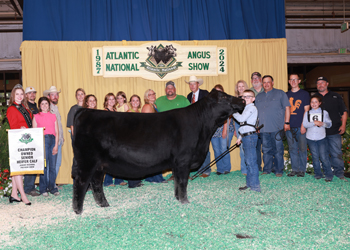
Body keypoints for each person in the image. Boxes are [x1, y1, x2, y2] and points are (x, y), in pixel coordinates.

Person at [255, 75, 291, 177]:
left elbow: (287, 108)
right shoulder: (258, 96)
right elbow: (256, 113)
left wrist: (287, 122)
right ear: (262, 84)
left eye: (268, 82)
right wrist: (256, 126)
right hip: (263, 129)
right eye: (264, 82)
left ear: (272, 82)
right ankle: (267, 169)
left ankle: (278, 170)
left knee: (278, 150)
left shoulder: (280, 93)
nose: (266, 84)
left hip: (277, 128)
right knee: (265, 150)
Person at [314, 76, 348, 181]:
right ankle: (327, 172)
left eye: (322, 83)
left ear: (327, 84)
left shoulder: (336, 96)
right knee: (323, 154)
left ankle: (339, 173)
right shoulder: (314, 98)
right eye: (318, 83)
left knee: (336, 152)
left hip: (334, 130)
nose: (320, 85)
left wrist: (343, 125)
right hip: (319, 132)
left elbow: (344, 112)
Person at [155, 81, 190, 181]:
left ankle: (185, 173)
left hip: (181, 132)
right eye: (168, 88)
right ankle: (174, 174)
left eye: (171, 88)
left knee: (183, 154)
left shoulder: (183, 99)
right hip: (165, 134)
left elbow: (190, 112)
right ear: (165, 90)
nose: (170, 90)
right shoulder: (159, 101)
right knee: (170, 154)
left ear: (175, 89)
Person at [6, 84, 32, 205]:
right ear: (13, 95)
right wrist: (20, 128)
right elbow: (13, 126)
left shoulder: (25, 108)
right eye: (17, 94)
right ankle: (23, 195)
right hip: (17, 140)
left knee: (19, 168)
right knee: (19, 169)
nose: (19, 96)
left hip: (25, 140)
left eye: (21, 94)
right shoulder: (12, 109)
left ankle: (14, 194)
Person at [233, 90, 261, 192]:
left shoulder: (252, 108)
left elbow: (241, 119)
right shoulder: (246, 108)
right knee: (248, 162)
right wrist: (240, 138)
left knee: (251, 162)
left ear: (253, 99)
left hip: (250, 137)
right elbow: (244, 125)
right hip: (246, 136)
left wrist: (233, 111)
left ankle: (255, 187)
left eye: (248, 97)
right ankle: (250, 184)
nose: (245, 98)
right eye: (243, 97)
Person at [33, 97, 60, 196]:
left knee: (52, 166)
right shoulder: (36, 116)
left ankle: (52, 187)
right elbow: (34, 133)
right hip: (42, 140)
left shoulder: (53, 116)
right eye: (42, 104)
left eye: (46, 104)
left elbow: (57, 132)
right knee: (43, 166)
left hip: (52, 140)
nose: (44, 106)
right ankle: (43, 189)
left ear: (49, 105)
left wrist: (56, 145)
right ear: (39, 106)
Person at [185, 76, 211, 177]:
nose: (192, 86)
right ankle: (198, 169)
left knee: (205, 147)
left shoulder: (205, 93)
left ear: (198, 84)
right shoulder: (188, 96)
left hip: (204, 124)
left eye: (194, 84)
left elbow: (209, 107)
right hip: (193, 126)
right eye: (190, 84)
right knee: (195, 148)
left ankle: (206, 170)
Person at [303, 95, 333, 181]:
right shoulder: (307, 113)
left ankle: (328, 174)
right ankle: (318, 173)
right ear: (310, 103)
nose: (314, 104)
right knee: (315, 157)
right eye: (312, 102)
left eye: (316, 102)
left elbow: (329, 124)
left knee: (324, 157)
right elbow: (305, 124)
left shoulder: (324, 112)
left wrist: (322, 123)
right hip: (310, 138)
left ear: (319, 103)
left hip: (321, 138)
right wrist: (314, 123)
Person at [286, 74, 310, 177]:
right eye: (291, 79)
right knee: (292, 149)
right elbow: (284, 110)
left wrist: (303, 125)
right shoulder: (286, 95)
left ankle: (302, 170)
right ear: (289, 81)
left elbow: (306, 110)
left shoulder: (304, 94)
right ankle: (294, 169)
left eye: (295, 79)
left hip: (300, 126)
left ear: (299, 81)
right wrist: (285, 123)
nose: (293, 81)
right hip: (289, 127)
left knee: (302, 149)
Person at [141, 89, 167, 183]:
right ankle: (157, 178)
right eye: (150, 94)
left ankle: (151, 177)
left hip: (155, 134)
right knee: (156, 157)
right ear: (147, 97)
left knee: (155, 157)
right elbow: (146, 123)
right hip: (150, 135)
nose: (153, 96)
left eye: (154, 93)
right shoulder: (147, 106)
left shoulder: (154, 106)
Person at [103, 93, 127, 186]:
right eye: (109, 99)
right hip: (109, 138)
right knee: (110, 160)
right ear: (106, 101)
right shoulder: (105, 111)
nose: (112, 101)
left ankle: (118, 180)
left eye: (113, 99)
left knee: (118, 159)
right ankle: (107, 181)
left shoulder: (115, 110)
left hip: (116, 138)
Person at [211, 85, 235, 175]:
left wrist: (225, 129)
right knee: (216, 150)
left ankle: (226, 169)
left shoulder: (226, 102)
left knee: (223, 149)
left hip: (225, 127)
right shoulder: (211, 103)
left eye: (219, 91)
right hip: (214, 129)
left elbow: (229, 115)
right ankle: (219, 169)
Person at [44, 86, 64, 185]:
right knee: (51, 164)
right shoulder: (48, 108)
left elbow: (58, 125)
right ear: (48, 96)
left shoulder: (55, 108)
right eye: (53, 95)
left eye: (56, 95)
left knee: (57, 163)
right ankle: (49, 184)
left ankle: (52, 184)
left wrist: (61, 136)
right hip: (52, 140)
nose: (55, 97)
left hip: (58, 139)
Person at [23, 86, 40, 197]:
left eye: (33, 93)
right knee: (29, 162)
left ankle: (31, 186)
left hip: (36, 136)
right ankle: (28, 187)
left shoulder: (36, 107)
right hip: (28, 137)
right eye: (29, 93)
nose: (32, 95)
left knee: (34, 161)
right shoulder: (25, 107)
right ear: (26, 95)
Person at [234, 80, 249, 175]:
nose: (241, 88)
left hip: (248, 124)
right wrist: (236, 129)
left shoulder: (248, 98)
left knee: (248, 147)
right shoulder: (235, 99)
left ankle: (250, 168)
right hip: (238, 124)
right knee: (242, 148)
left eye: (242, 86)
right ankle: (244, 170)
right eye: (239, 86)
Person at [249, 72, 264, 171]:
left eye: (257, 78)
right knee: (255, 148)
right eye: (253, 78)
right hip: (253, 125)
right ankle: (257, 167)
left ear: (261, 79)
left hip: (266, 123)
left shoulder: (266, 90)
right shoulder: (249, 92)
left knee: (268, 148)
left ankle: (269, 168)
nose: (255, 80)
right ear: (251, 81)